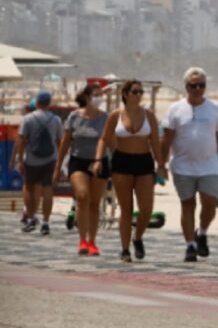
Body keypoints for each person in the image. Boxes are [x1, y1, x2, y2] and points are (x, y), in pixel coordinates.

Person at [159, 68, 218, 263]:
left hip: (210, 165)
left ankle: (203, 232)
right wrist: (161, 165)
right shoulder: (175, 109)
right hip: (182, 166)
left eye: (201, 85)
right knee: (187, 204)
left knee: (209, 203)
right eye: (193, 86)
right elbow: (166, 140)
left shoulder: (215, 109)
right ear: (186, 87)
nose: (197, 89)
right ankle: (190, 245)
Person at [95, 80, 162, 263]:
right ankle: (125, 250)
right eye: (135, 91)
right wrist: (98, 159)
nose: (139, 95)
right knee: (127, 209)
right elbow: (103, 139)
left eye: (141, 91)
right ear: (125, 94)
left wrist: (162, 164)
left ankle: (137, 237)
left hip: (144, 161)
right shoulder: (115, 115)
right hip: (122, 161)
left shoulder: (149, 115)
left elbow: (155, 142)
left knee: (147, 209)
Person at [54, 84, 109, 256]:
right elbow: (65, 143)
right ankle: (82, 240)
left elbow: (110, 141)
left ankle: (92, 241)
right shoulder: (74, 117)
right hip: (78, 161)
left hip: (100, 162)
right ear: (86, 97)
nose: (99, 98)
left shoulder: (105, 117)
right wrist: (57, 167)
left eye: (101, 95)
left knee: (94, 203)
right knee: (82, 196)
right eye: (95, 95)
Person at [10, 91, 63, 235]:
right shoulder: (56, 120)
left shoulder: (28, 119)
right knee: (48, 190)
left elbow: (20, 141)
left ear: (37, 103)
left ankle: (32, 217)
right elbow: (60, 142)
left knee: (28, 187)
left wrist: (20, 160)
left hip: (32, 160)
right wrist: (60, 163)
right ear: (49, 103)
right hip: (50, 159)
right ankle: (46, 222)